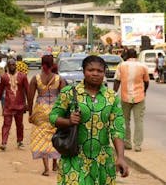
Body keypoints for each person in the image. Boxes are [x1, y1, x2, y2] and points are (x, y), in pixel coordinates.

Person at [51, 55, 128, 184]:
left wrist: (120, 157)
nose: (95, 74)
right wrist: (68, 121)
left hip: (102, 161)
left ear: (104, 73)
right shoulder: (69, 93)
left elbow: (117, 129)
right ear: (83, 71)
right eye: (91, 70)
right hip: (75, 158)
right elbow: (53, 117)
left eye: (99, 71)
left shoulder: (111, 97)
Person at [28, 54, 66, 176]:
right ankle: (55, 163)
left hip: (40, 111)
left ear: (42, 64)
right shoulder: (59, 79)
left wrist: (30, 113)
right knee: (55, 135)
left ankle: (46, 169)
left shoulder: (36, 78)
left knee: (42, 138)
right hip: (55, 110)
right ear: (53, 64)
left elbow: (30, 97)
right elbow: (64, 98)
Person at [113, 48, 149, 152]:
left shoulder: (121, 65)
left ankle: (127, 143)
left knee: (125, 121)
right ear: (136, 55)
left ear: (127, 55)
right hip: (139, 97)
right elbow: (146, 81)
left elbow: (117, 81)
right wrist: (144, 91)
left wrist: (114, 94)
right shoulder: (143, 66)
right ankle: (137, 145)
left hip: (125, 97)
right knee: (139, 121)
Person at [0, 58, 29, 150]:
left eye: (13, 64)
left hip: (20, 105)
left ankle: (20, 141)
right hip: (8, 105)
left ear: (16, 65)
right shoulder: (4, 77)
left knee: (19, 124)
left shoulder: (23, 76)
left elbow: (27, 91)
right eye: (10, 65)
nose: (12, 66)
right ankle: (4, 143)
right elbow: (0, 90)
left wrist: (28, 104)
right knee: (6, 124)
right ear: (7, 66)